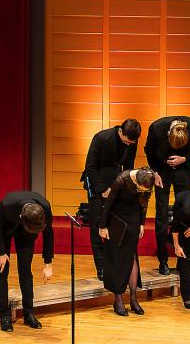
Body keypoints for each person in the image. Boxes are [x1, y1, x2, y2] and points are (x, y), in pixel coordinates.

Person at [0, 191, 54, 332]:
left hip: (26, 233)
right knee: (2, 270)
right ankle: (4, 316)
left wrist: (48, 264)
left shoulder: (45, 208)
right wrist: (0, 253)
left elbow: (48, 234)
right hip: (3, 229)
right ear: (23, 220)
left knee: (25, 271)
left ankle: (29, 314)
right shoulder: (7, 205)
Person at [145, 116, 190, 275]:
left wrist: (184, 158)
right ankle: (162, 260)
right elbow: (148, 150)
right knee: (161, 215)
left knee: (184, 212)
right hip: (161, 170)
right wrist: (155, 172)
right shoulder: (156, 127)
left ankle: (182, 259)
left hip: (183, 169)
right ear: (168, 134)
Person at [81, 118, 141, 279]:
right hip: (96, 182)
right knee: (97, 224)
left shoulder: (132, 142)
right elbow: (90, 167)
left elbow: (128, 167)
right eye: (127, 141)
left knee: (116, 223)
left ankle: (114, 264)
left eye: (132, 142)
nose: (129, 144)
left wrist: (126, 187)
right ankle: (100, 266)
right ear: (121, 132)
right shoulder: (101, 138)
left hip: (116, 182)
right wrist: (103, 189)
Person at [98, 168, 155, 316]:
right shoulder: (121, 180)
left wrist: (142, 222)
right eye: (140, 188)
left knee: (132, 257)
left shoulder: (148, 180)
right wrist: (102, 227)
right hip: (117, 221)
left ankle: (134, 299)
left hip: (133, 221)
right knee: (118, 260)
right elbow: (108, 204)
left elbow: (144, 203)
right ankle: (118, 300)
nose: (141, 191)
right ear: (137, 181)